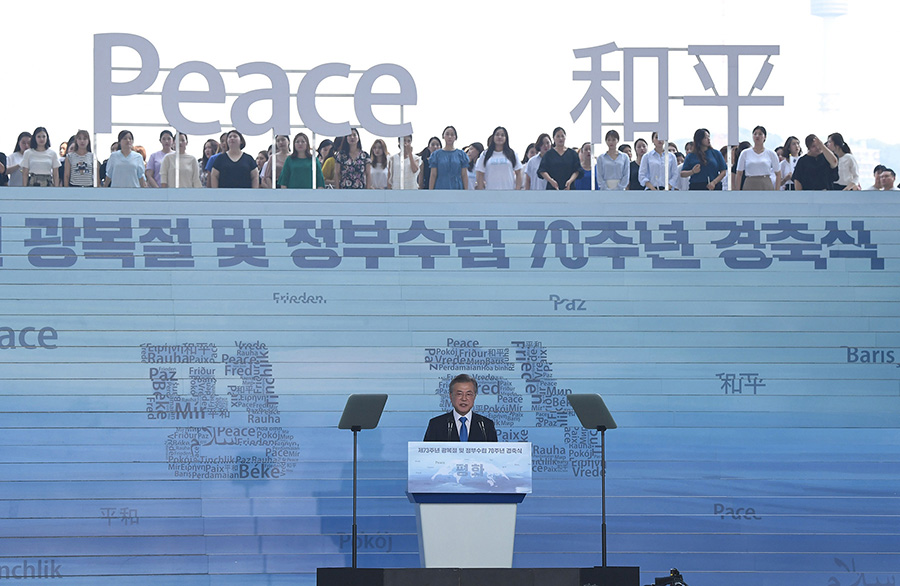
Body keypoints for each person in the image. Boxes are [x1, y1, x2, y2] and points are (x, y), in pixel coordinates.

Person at [423, 374, 498, 442]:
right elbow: (426, 454)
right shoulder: (436, 425)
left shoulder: (485, 425)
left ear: (474, 397)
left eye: (468, 394)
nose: (464, 398)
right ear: (451, 396)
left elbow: (495, 455)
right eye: (459, 394)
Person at [735, 126, 781, 191]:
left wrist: (777, 190)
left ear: (765, 137)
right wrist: (737, 191)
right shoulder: (745, 153)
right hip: (750, 183)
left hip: (765, 183)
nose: (757, 136)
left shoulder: (771, 153)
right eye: (755, 134)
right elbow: (739, 173)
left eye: (760, 134)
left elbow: (778, 174)